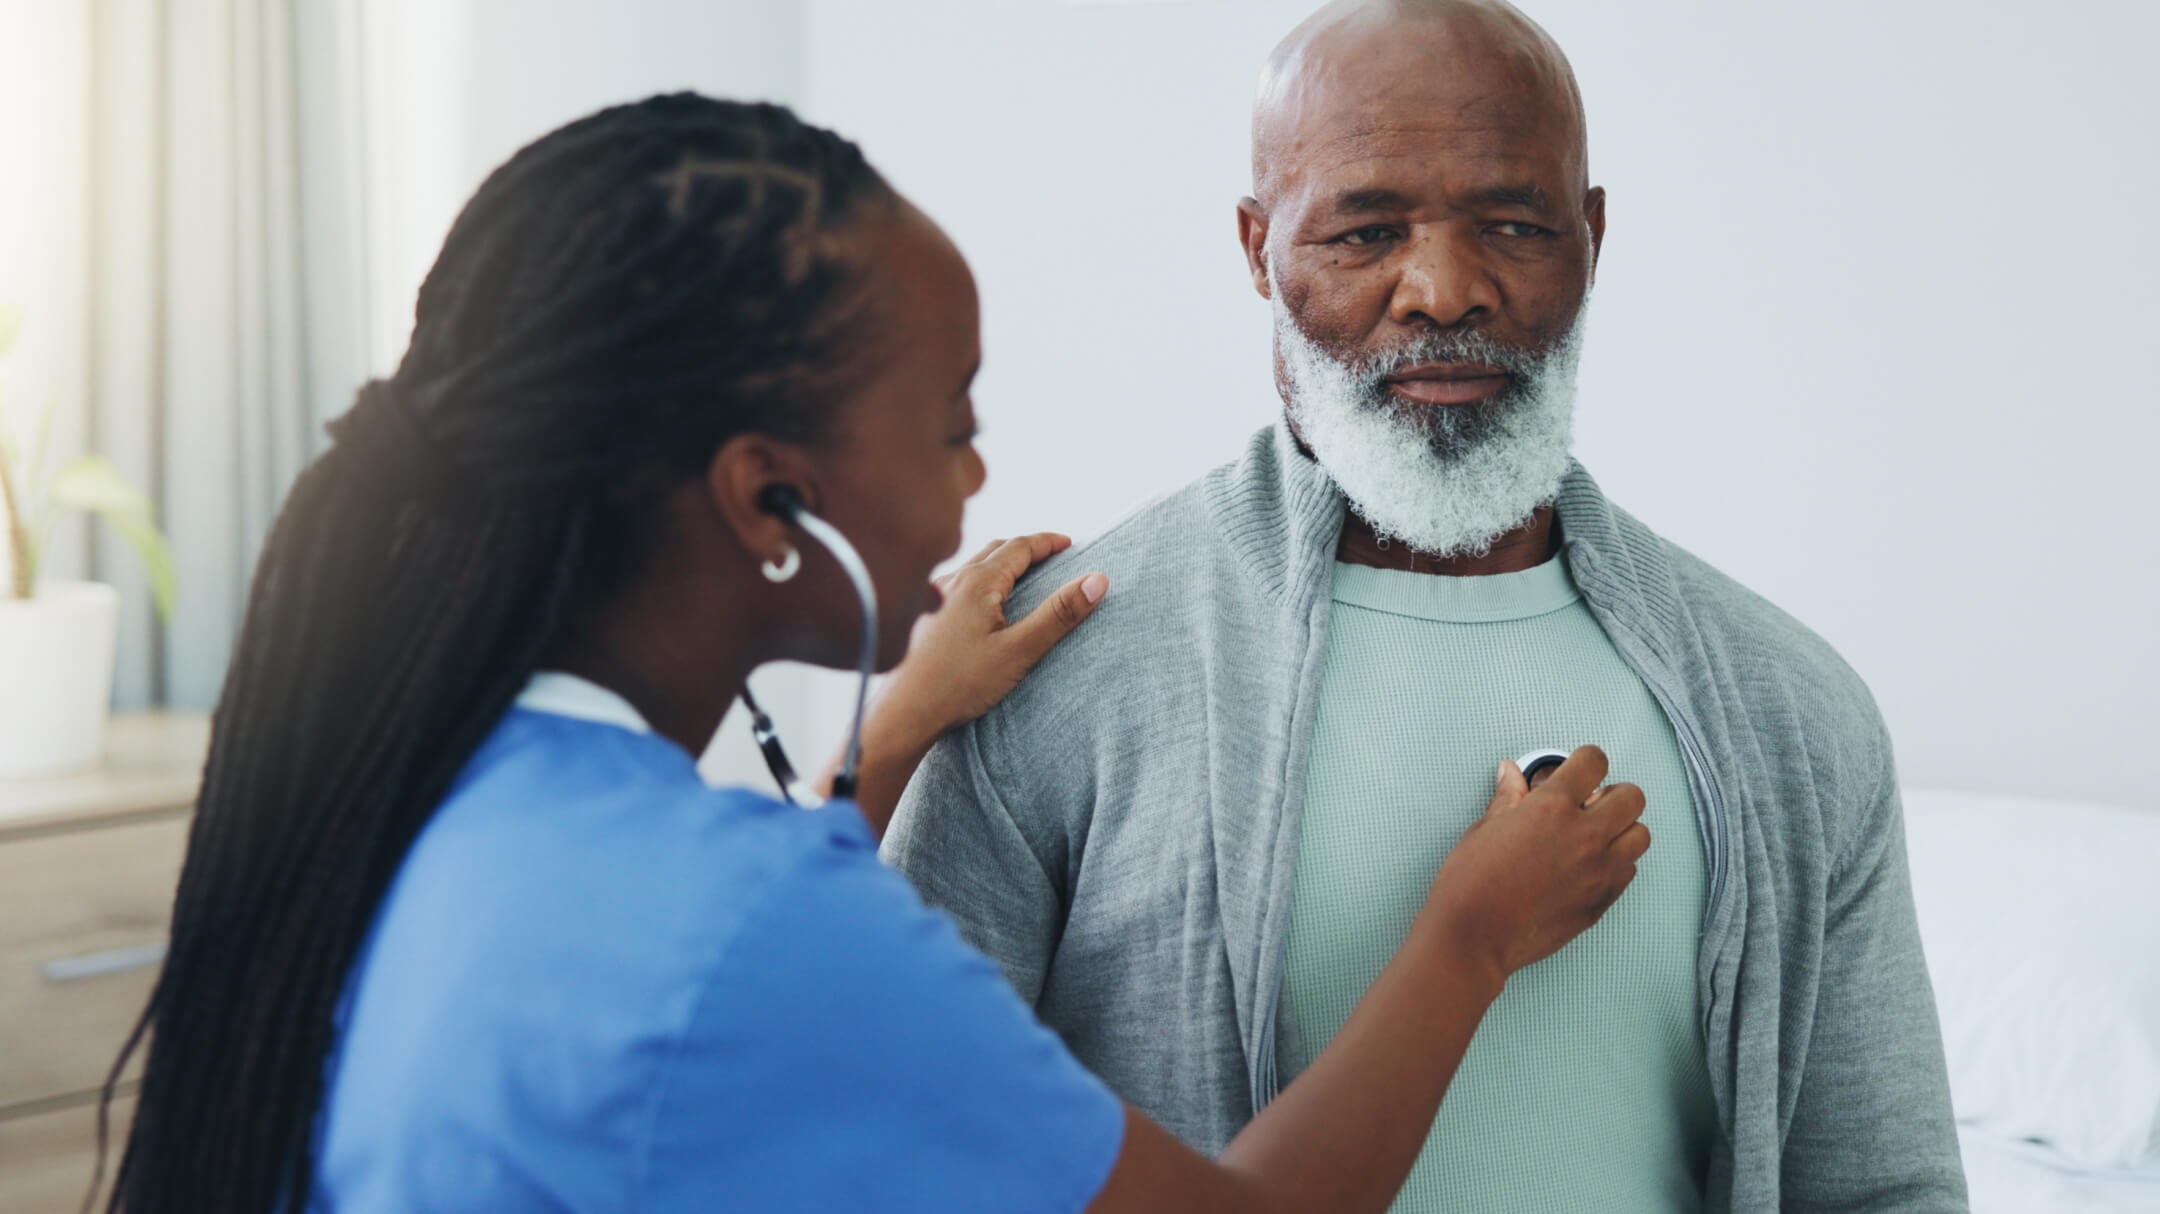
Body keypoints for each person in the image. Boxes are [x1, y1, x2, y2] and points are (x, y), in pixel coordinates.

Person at [95, 94, 1651, 1214]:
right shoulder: (751, 924)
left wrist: (893, 731)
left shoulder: (440, 783)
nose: (975, 479)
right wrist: (1468, 931)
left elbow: (686, 988)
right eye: (951, 421)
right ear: (772, 496)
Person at [883, 2, 1969, 1210]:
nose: (1445, 289)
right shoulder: (1057, 667)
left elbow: (1884, 1183)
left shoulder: (1790, 706)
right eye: (1365, 229)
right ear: (1257, 248)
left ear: (1592, 237)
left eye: (1512, 222)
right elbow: (904, 1146)